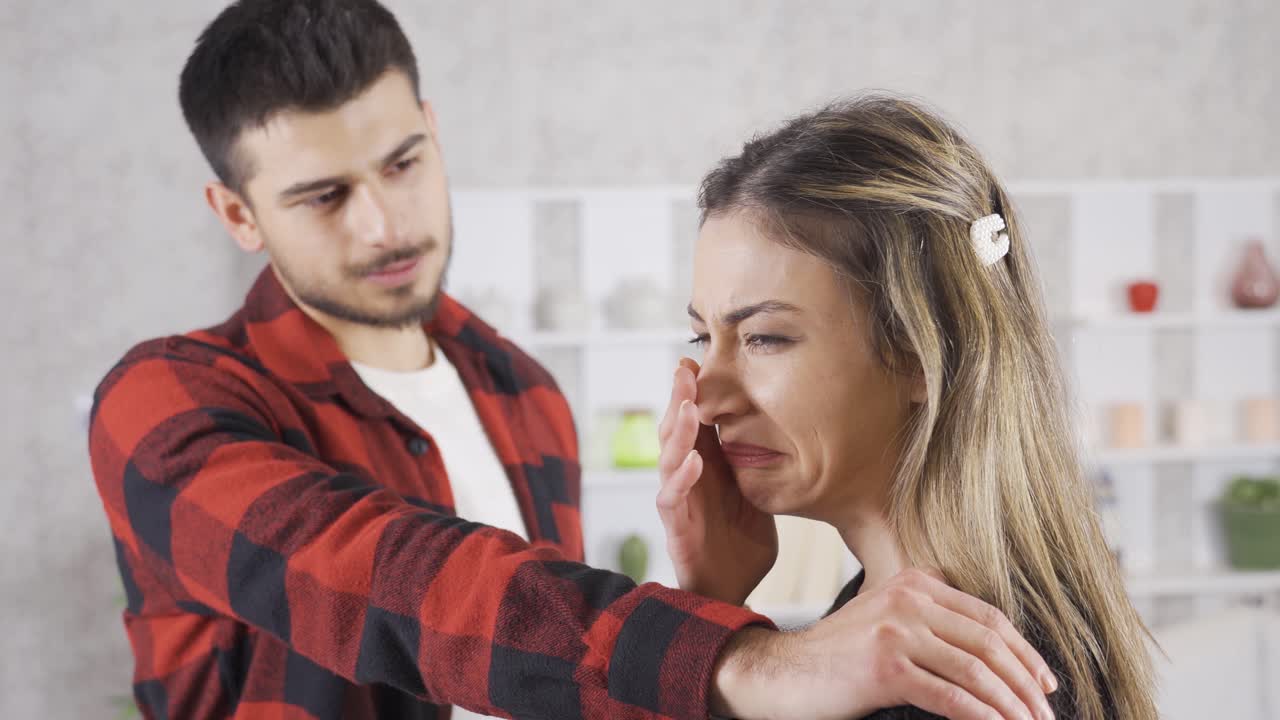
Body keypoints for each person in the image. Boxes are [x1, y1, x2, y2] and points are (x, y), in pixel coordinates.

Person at [87, 2, 1059, 718]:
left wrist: (705, 609)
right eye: (322, 196)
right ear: (238, 216)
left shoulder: (523, 392)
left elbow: (552, 682)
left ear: (434, 131)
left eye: (401, 163)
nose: (383, 222)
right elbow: (396, 583)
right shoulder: (167, 403)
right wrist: (745, 657)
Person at [656, 94, 1159, 720]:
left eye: (765, 338)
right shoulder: (881, 634)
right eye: (703, 338)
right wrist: (715, 614)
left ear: (925, 355)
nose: (705, 396)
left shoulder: (951, 680)